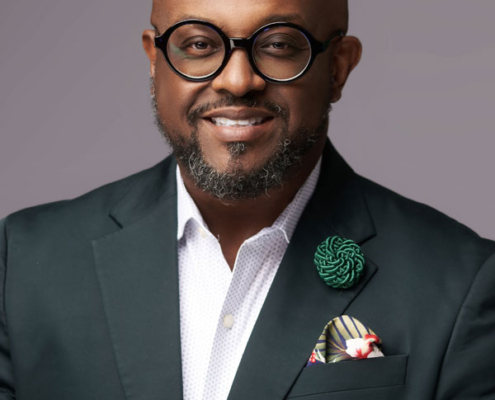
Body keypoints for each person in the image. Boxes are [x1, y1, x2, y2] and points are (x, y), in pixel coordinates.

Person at [0, 0, 494, 399]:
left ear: (338, 68)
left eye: (278, 45)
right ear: (155, 60)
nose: (237, 81)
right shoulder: (23, 262)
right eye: (199, 44)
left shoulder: (461, 284)